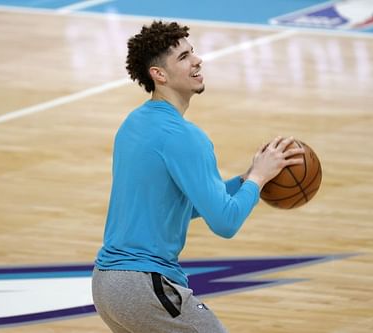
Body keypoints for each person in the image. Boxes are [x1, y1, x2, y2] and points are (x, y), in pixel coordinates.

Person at [92, 21, 304, 333]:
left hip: (107, 286)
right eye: (183, 57)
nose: (197, 60)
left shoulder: (134, 123)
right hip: (144, 285)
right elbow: (225, 222)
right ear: (159, 74)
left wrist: (247, 178)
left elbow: (176, 205)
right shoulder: (186, 137)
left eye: (192, 52)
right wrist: (258, 180)